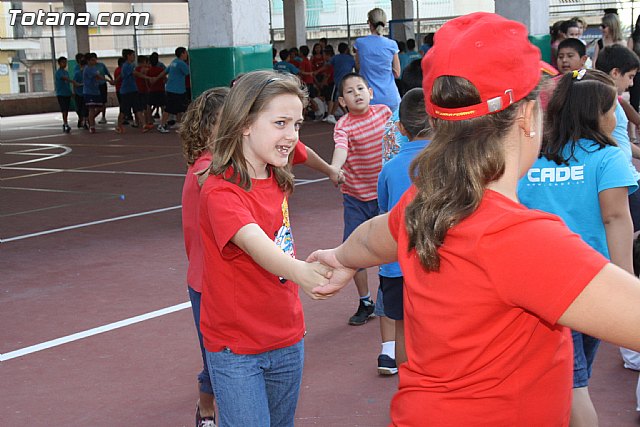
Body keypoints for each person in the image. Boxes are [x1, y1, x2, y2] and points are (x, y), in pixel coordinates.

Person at [308, 12, 640, 426]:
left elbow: (376, 235)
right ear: (527, 118)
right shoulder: (519, 238)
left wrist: (342, 258)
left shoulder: (427, 202)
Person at [198, 70, 332, 427]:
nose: (292, 135)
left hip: (286, 336)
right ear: (244, 123)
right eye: (281, 123)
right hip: (237, 348)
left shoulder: (277, 176)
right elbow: (257, 244)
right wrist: (303, 271)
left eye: (298, 124)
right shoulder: (219, 191)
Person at [519, 68, 637, 427]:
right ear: (594, 114)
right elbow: (616, 219)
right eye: (611, 108)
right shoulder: (609, 157)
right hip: (590, 285)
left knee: (566, 382)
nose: (616, 116)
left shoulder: (530, 155)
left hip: (534, 286)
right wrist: (627, 284)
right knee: (573, 385)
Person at [179, 87, 229, 427]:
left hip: (215, 279)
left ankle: (208, 408)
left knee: (222, 354)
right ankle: (207, 408)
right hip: (208, 281)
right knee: (219, 357)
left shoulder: (212, 165)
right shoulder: (208, 169)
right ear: (212, 126)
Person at [329, 72, 392, 325]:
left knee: (390, 248)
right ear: (343, 101)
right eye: (350, 91)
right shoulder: (343, 125)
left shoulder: (384, 113)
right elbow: (341, 148)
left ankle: (389, 295)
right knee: (354, 251)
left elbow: (398, 139)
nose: (357, 94)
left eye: (360, 88)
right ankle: (365, 301)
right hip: (356, 198)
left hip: (384, 197)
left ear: (371, 92)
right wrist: (335, 168)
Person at [376, 87, 430, 375]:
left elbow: (385, 211)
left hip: (396, 265)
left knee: (402, 328)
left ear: (400, 128)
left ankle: (408, 389)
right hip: (437, 264)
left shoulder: (390, 168)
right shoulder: (447, 163)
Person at [595, 44, 640, 231]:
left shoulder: (612, 99)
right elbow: (603, 138)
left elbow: (619, 138)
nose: (631, 84)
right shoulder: (605, 101)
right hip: (621, 179)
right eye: (630, 77)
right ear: (615, 73)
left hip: (625, 176)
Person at [354, 8, 401, 111]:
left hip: (368, 99)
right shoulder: (392, 44)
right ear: (384, 23)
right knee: (392, 127)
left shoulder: (360, 43)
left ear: (369, 23)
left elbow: (358, 66)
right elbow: (397, 73)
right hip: (390, 97)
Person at [315, 42, 355, 124]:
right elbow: (357, 67)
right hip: (348, 81)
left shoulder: (335, 58)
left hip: (337, 81)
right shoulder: (351, 58)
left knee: (336, 98)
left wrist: (317, 71)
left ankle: (332, 115)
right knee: (340, 98)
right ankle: (346, 114)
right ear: (347, 49)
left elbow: (326, 66)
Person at [115, 49, 153, 134]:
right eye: (132, 55)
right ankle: (119, 126)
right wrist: (147, 77)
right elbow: (136, 73)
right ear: (128, 56)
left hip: (133, 90)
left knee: (138, 108)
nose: (134, 57)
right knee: (123, 110)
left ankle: (144, 125)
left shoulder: (130, 65)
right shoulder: (126, 66)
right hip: (126, 91)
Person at [156, 47, 190, 133]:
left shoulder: (174, 62)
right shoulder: (181, 64)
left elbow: (165, 72)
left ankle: (178, 124)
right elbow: (188, 72)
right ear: (182, 53)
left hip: (173, 89)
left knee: (180, 108)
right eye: (186, 53)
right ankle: (162, 125)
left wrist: (156, 78)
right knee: (169, 108)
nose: (187, 55)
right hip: (176, 90)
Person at [83, 53, 112, 134]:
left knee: (100, 108)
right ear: (88, 61)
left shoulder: (95, 68)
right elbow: (98, 76)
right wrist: (109, 80)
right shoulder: (87, 69)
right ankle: (92, 126)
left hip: (96, 91)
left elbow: (99, 76)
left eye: (95, 59)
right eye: (92, 60)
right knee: (91, 109)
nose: (95, 61)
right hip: (89, 92)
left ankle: (90, 119)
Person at [54, 56, 73, 133]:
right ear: (59, 63)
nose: (64, 64)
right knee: (64, 109)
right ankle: (65, 123)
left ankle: (66, 123)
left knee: (67, 109)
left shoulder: (66, 72)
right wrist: (74, 82)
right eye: (63, 62)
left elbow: (67, 83)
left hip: (67, 93)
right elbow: (65, 79)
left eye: (65, 62)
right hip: (61, 93)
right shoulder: (58, 73)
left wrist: (70, 92)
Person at [95, 55, 113, 124]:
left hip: (102, 84)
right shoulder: (90, 68)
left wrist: (111, 79)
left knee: (103, 101)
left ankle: (103, 117)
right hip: (95, 86)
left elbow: (107, 73)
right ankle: (92, 117)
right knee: (96, 102)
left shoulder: (101, 65)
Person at [628, 16, 640, 113]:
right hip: (637, 72)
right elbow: (629, 55)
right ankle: (633, 126)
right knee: (635, 100)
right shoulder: (633, 38)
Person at [73, 57, 87, 129]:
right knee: (78, 108)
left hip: (85, 93)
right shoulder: (77, 74)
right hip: (78, 93)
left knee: (85, 108)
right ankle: (80, 119)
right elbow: (74, 83)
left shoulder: (87, 74)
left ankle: (85, 122)